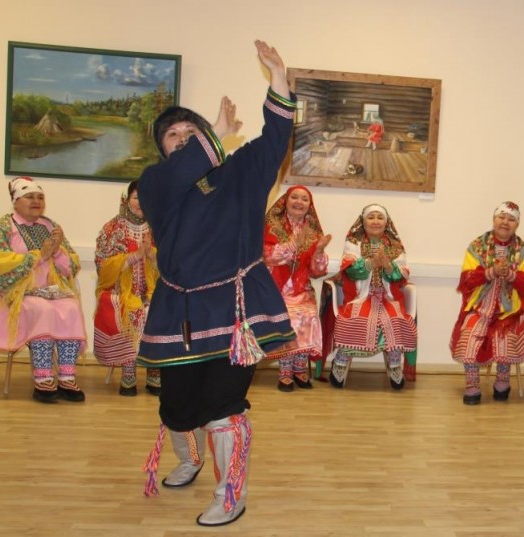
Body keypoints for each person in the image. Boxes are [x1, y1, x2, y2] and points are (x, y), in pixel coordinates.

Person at [136, 40, 297, 527]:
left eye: (192, 131)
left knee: (223, 406)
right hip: (178, 312)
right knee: (176, 407)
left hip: (236, 309)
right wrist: (215, 135)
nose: (183, 139)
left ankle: (230, 494)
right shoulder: (155, 182)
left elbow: (275, 138)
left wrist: (278, 78)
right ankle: (189, 458)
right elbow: (183, 172)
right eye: (173, 135)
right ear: (162, 149)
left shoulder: (241, 172)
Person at [0, 176, 87, 403]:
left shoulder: (51, 226)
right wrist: (38, 255)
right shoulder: (1, 227)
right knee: (41, 309)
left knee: (71, 307)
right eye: (30, 197)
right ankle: (43, 379)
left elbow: (71, 266)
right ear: (15, 202)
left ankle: (66, 376)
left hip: (50, 291)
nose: (36, 201)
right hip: (15, 294)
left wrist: (57, 251)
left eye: (40, 197)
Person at [449, 202, 524, 405]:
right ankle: (472, 386)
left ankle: (502, 383)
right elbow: (466, 280)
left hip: (510, 311)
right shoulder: (477, 246)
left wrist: (511, 275)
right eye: (501, 217)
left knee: (504, 338)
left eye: (511, 219)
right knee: (469, 335)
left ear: (517, 224)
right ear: (494, 219)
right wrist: (490, 272)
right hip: (479, 308)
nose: (505, 222)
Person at [327, 204, 417, 389]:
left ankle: (394, 364)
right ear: (363, 221)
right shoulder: (354, 243)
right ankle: (341, 361)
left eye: (380, 217)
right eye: (371, 217)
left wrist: (388, 266)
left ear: (386, 222)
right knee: (355, 318)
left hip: (388, 298)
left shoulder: (395, 246)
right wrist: (371, 263)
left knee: (396, 319)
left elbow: (401, 276)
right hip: (360, 297)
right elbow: (350, 271)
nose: (376, 221)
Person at [93, 180, 161, 396]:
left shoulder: (159, 227)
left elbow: (171, 266)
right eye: (136, 197)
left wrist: (151, 255)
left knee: (160, 309)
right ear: (126, 199)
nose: (141, 202)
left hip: (152, 291)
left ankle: (154, 372)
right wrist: (134, 256)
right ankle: (128, 371)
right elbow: (103, 267)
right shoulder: (112, 228)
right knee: (129, 310)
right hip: (119, 291)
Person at [263, 185, 331, 391]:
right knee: (290, 320)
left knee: (309, 316)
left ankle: (299, 368)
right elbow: (268, 256)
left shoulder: (313, 232)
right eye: (295, 197)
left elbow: (317, 271)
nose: (299, 202)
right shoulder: (271, 225)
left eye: (304, 199)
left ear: (310, 205)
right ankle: (285, 371)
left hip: (301, 289)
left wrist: (319, 252)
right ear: (285, 201)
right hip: (275, 289)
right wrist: (293, 244)